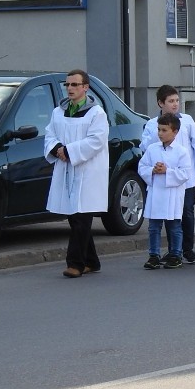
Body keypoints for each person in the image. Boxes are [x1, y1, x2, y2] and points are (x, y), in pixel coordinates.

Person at [44, 70, 110, 278]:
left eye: (75, 85)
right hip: (66, 169)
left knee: (82, 217)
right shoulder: (59, 111)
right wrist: (57, 149)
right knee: (74, 217)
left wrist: (70, 151)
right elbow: (50, 134)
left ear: (85, 87)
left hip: (88, 171)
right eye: (68, 85)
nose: (70, 88)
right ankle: (92, 261)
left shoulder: (96, 113)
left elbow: (96, 141)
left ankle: (75, 263)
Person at [140, 85, 195, 264]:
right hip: (161, 179)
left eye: (177, 101)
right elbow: (145, 147)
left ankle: (186, 249)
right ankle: (172, 251)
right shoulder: (152, 124)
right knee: (167, 216)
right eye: (171, 101)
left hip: (186, 176)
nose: (175, 105)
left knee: (185, 212)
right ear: (160, 103)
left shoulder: (187, 120)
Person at [138, 112, 191, 270]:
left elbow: (185, 173)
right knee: (154, 226)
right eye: (159, 130)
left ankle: (176, 254)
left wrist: (167, 171)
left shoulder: (181, 151)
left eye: (164, 130)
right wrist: (152, 171)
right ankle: (154, 255)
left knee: (174, 225)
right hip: (156, 193)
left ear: (175, 132)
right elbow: (142, 166)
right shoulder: (152, 149)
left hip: (172, 194)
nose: (160, 133)